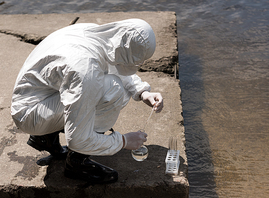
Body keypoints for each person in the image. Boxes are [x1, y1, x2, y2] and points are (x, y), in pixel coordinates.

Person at [11, 18, 163, 184]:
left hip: (36, 96)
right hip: (30, 114)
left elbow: (114, 59)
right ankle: (77, 163)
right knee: (114, 90)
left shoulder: (94, 33)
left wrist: (142, 92)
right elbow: (78, 139)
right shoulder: (85, 70)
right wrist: (124, 141)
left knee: (85, 87)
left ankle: (46, 138)